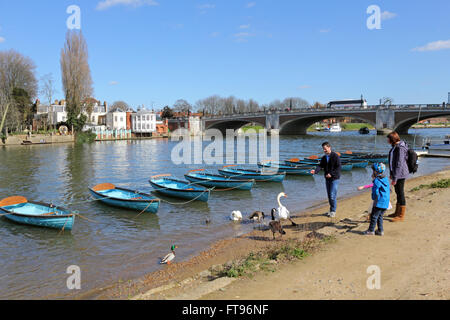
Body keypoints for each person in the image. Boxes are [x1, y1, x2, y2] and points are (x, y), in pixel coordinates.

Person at [311, 142, 341, 217]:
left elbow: (339, 168)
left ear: (329, 147)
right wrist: (315, 171)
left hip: (335, 178)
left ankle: (333, 211)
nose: (324, 150)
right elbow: (320, 166)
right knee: (329, 195)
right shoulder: (324, 157)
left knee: (332, 195)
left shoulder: (335, 156)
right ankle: (331, 210)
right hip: (327, 179)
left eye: (325, 148)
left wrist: (331, 174)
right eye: (323, 149)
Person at [363, 163, 390, 236]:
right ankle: (380, 230)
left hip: (379, 201)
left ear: (375, 171)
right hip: (386, 201)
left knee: (374, 216)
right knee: (380, 216)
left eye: (373, 170)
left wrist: (373, 197)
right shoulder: (385, 178)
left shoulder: (377, 180)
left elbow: (375, 191)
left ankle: (371, 230)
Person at [387, 131, 409, 222]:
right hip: (395, 173)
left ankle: (401, 215)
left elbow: (399, 164)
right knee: (397, 192)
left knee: (400, 193)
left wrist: (395, 177)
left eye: (388, 138)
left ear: (392, 139)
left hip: (400, 174)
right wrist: (391, 174)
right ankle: (397, 212)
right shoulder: (394, 147)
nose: (387, 140)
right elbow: (393, 162)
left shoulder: (400, 148)